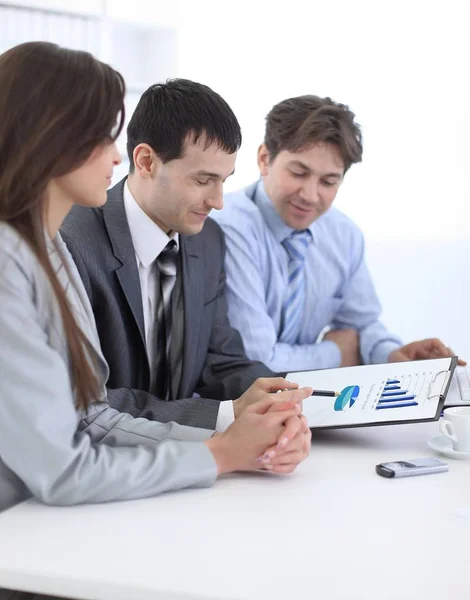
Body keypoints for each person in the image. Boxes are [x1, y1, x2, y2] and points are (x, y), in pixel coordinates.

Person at [0, 42, 311, 600]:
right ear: (49, 139)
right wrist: (219, 451)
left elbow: (90, 417)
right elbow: (66, 465)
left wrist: (254, 420)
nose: (114, 158)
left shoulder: (48, 250)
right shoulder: (33, 253)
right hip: (25, 543)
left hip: (67, 524)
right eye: (100, 139)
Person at [60, 78, 276, 433]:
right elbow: (87, 402)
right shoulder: (72, 241)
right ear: (146, 161)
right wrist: (225, 416)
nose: (218, 201)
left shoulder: (208, 240)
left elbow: (218, 363)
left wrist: (287, 396)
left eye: (224, 180)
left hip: (190, 464)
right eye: (203, 180)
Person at [212, 94, 464, 373]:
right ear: (264, 160)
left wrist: (392, 355)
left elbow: (361, 324)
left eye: (328, 181)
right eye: (298, 173)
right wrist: (336, 354)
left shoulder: (343, 235)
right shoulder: (229, 227)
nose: (310, 195)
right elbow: (257, 357)